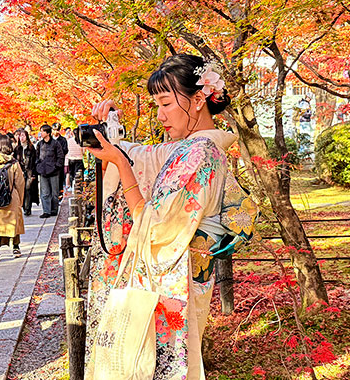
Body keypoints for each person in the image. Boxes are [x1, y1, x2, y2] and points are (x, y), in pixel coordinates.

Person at [84, 54, 258, 380]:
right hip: (178, 278)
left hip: (175, 282)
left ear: (196, 100)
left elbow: (155, 227)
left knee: (159, 365)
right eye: (157, 106)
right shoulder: (190, 148)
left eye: (166, 103)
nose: (161, 115)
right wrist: (111, 130)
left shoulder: (199, 154)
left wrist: (121, 166)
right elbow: (142, 156)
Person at [35, 124, 64, 218]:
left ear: (48, 133)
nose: (41, 133)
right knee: (45, 192)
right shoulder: (39, 144)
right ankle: (46, 211)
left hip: (54, 171)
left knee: (55, 193)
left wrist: (56, 166)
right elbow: (37, 156)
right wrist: (38, 166)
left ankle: (54, 209)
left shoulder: (56, 144)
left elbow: (60, 156)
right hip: (43, 171)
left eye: (43, 131)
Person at [12, 129, 37, 216]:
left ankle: (27, 208)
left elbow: (34, 161)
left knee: (28, 189)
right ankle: (23, 206)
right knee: (21, 189)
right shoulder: (17, 149)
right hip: (20, 172)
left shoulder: (31, 148)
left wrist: (33, 173)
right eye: (20, 136)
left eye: (23, 135)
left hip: (29, 172)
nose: (21, 137)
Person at [52, 123, 68, 197]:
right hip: (50, 164)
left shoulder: (63, 140)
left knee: (60, 180)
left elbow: (65, 150)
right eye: (54, 130)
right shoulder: (49, 140)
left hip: (59, 163)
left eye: (57, 130)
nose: (55, 132)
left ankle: (59, 195)